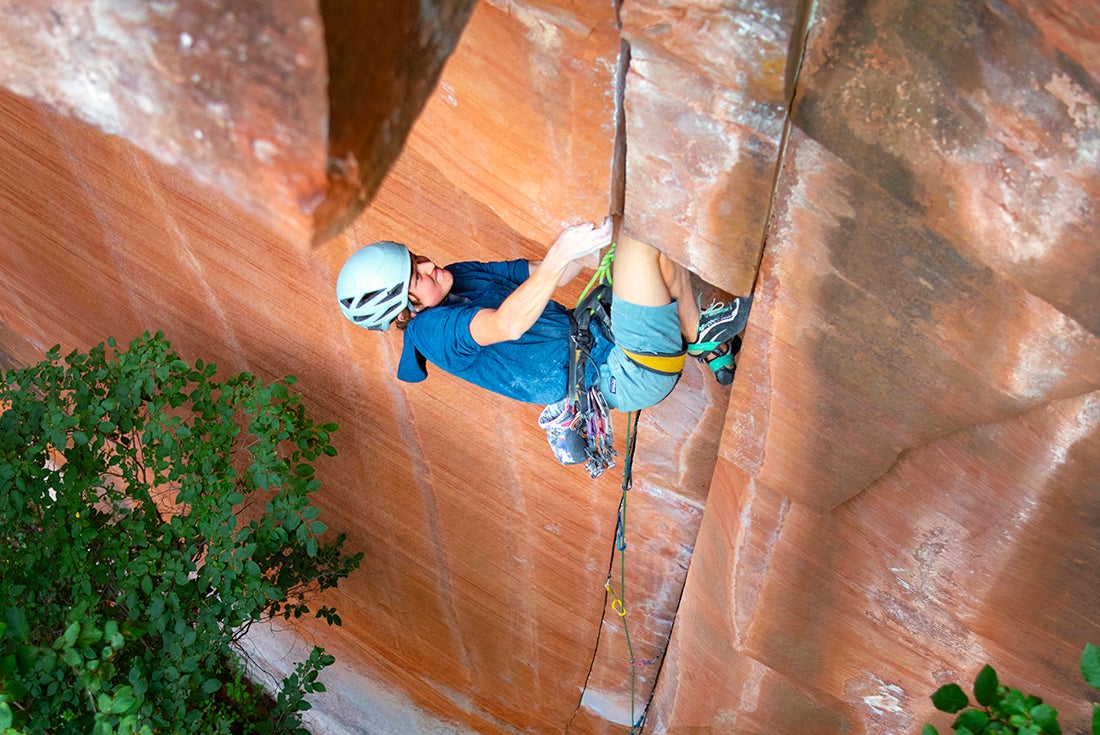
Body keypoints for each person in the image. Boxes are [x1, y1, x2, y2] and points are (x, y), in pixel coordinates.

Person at [336, 217, 750, 417]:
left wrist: (593, 238)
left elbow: (554, 271)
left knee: (636, 235)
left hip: (599, 334)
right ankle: (699, 333)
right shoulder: (432, 332)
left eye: (416, 258)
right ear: (406, 309)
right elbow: (506, 324)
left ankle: (701, 340)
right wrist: (564, 253)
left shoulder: (459, 274)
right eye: (416, 276)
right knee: (644, 244)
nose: (429, 266)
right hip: (619, 372)